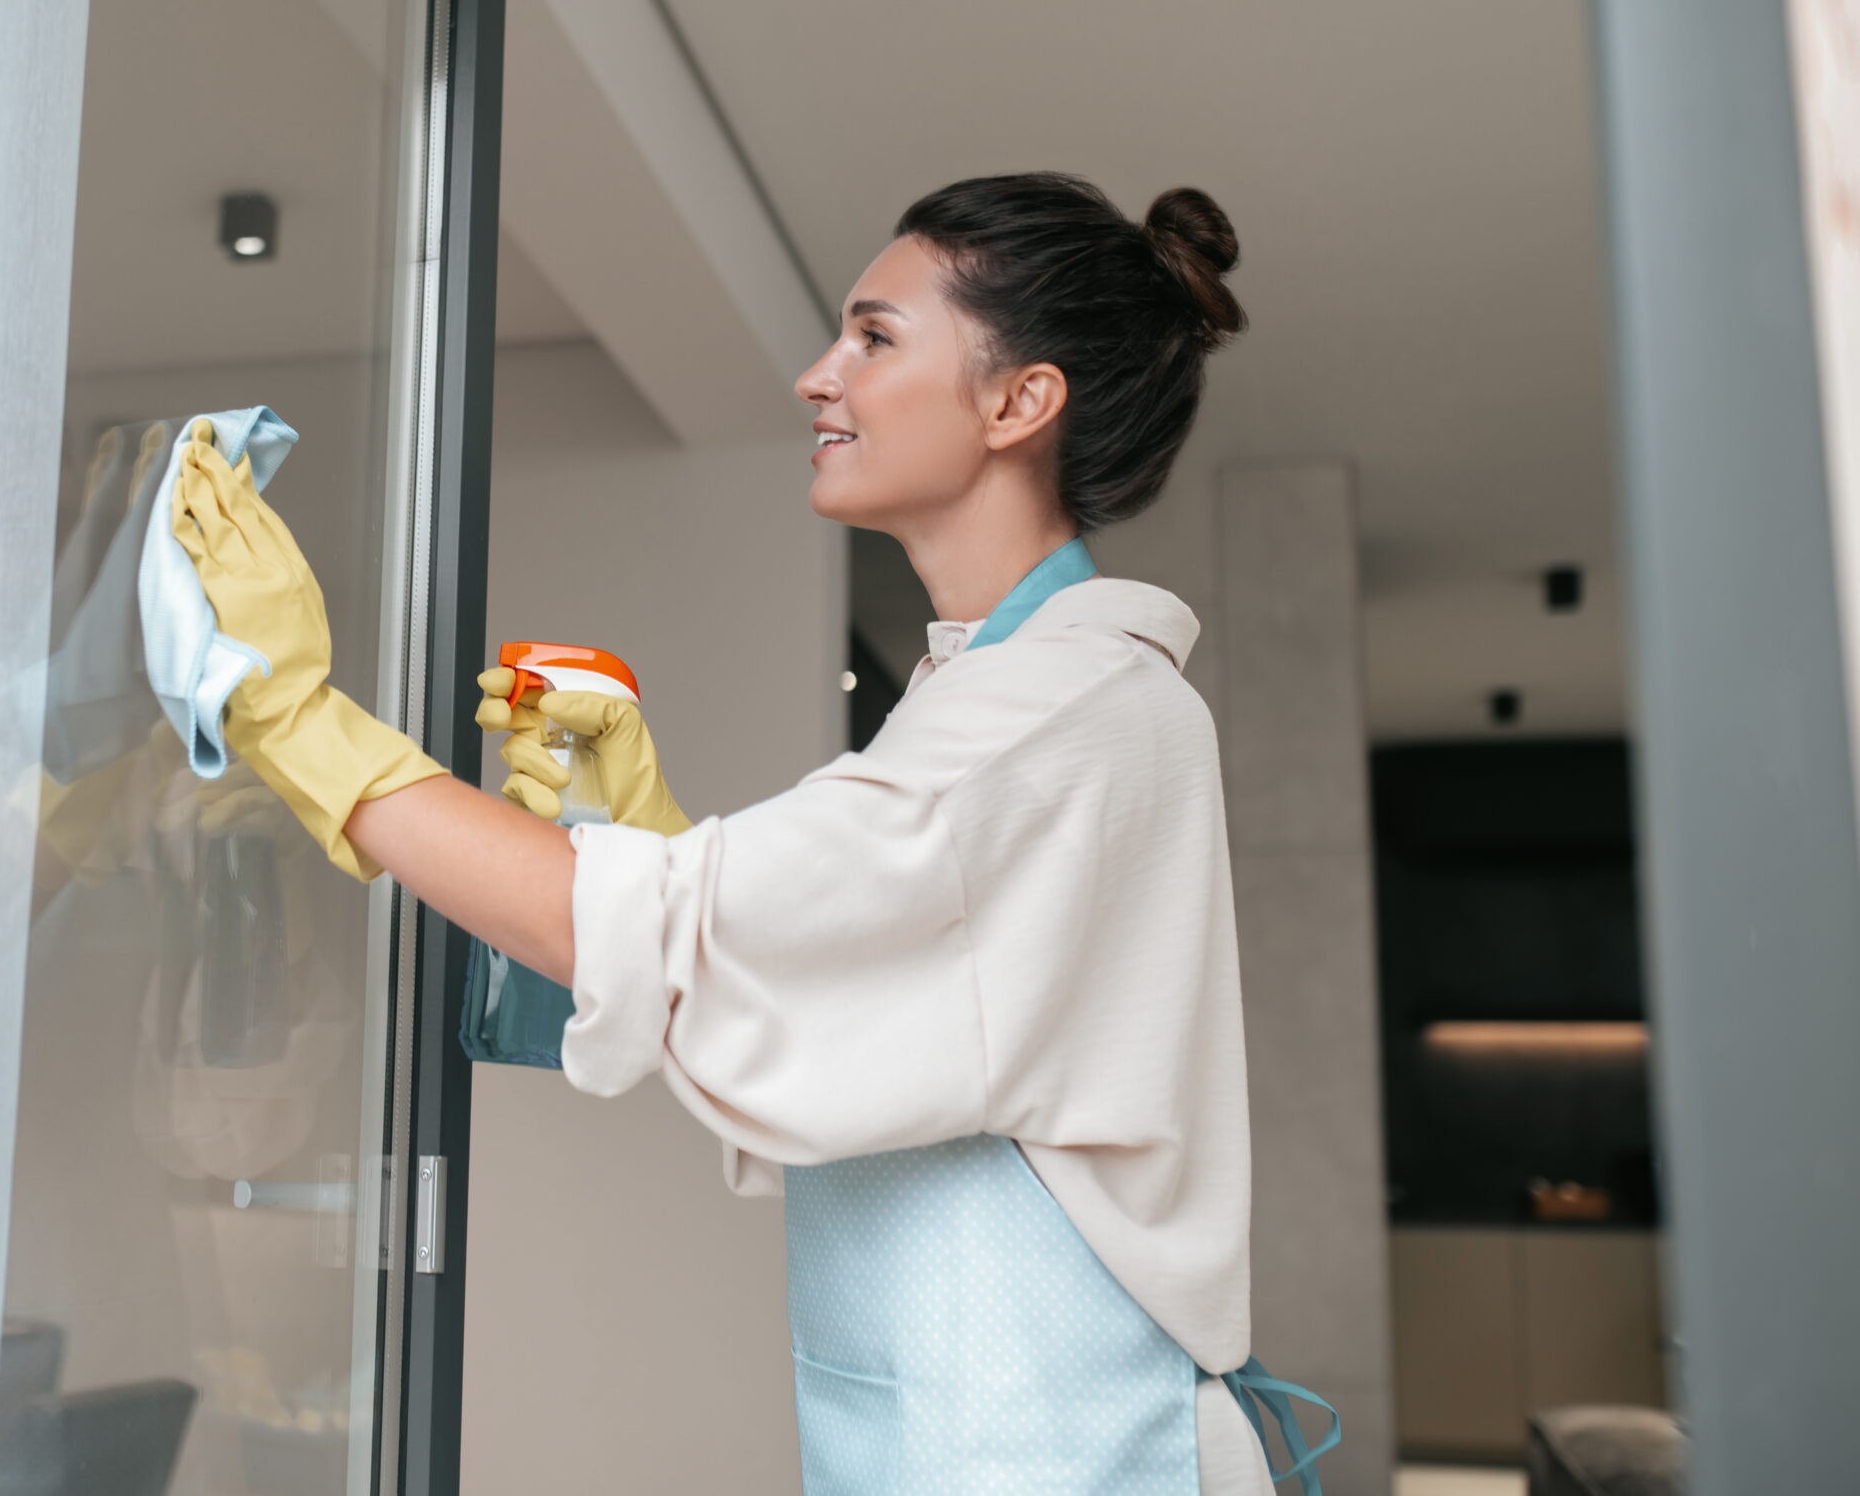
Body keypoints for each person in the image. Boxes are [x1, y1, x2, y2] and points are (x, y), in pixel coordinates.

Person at [170, 173, 1336, 1494]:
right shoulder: (1009, 698)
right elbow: (860, 1010)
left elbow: (683, 938)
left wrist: (291, 714)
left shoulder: (1053, 711)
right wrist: (652, 831)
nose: (815, 377)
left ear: (1019, 403)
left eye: (874, 338)